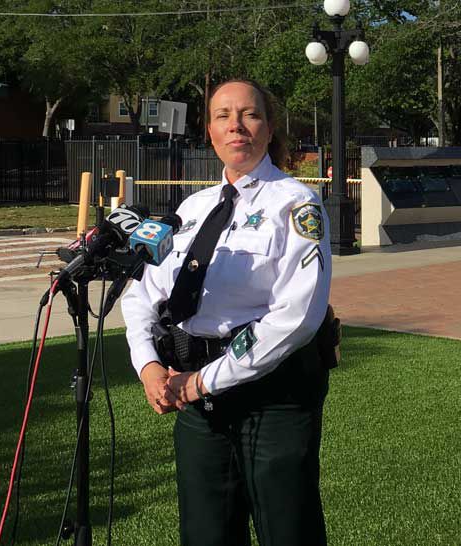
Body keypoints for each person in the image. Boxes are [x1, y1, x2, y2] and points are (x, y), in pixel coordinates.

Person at [120, 79, 334, 546]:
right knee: (206, 533)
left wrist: (203, 380)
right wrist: (149, 366)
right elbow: (141, 293)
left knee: (287, 530)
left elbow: (296, 316)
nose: (236, 126)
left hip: (272, 396)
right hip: (197, 403)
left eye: (249, 114)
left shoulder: (296, 204)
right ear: (209, 132)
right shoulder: (191, 210)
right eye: (223, 116)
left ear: (269, 127)